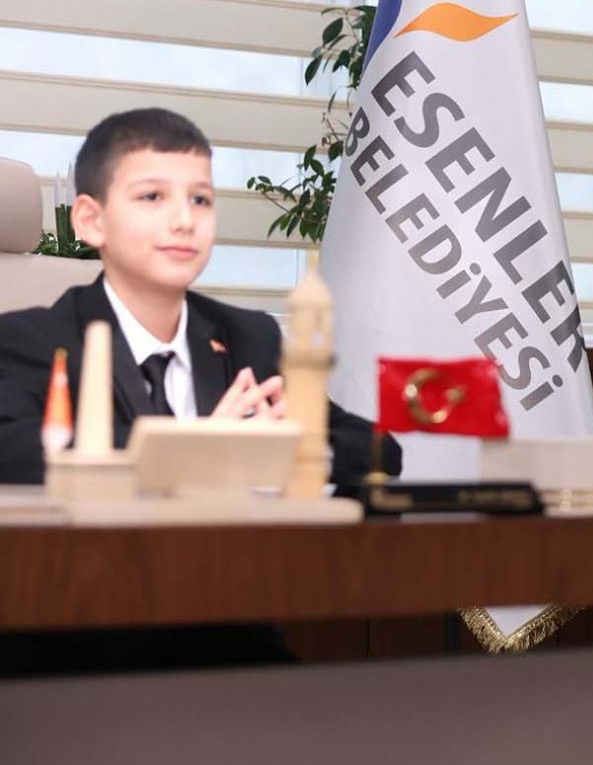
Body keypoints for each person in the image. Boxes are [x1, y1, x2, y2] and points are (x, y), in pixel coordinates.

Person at [0, 107, 400, 487]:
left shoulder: (249, 338)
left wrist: (286, 449)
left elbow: (379, 450)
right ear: (92, 221)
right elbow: (13, 451)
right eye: (152, 197)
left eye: (200, 200)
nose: (184, 220)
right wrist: (203, 448)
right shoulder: (31, 340)